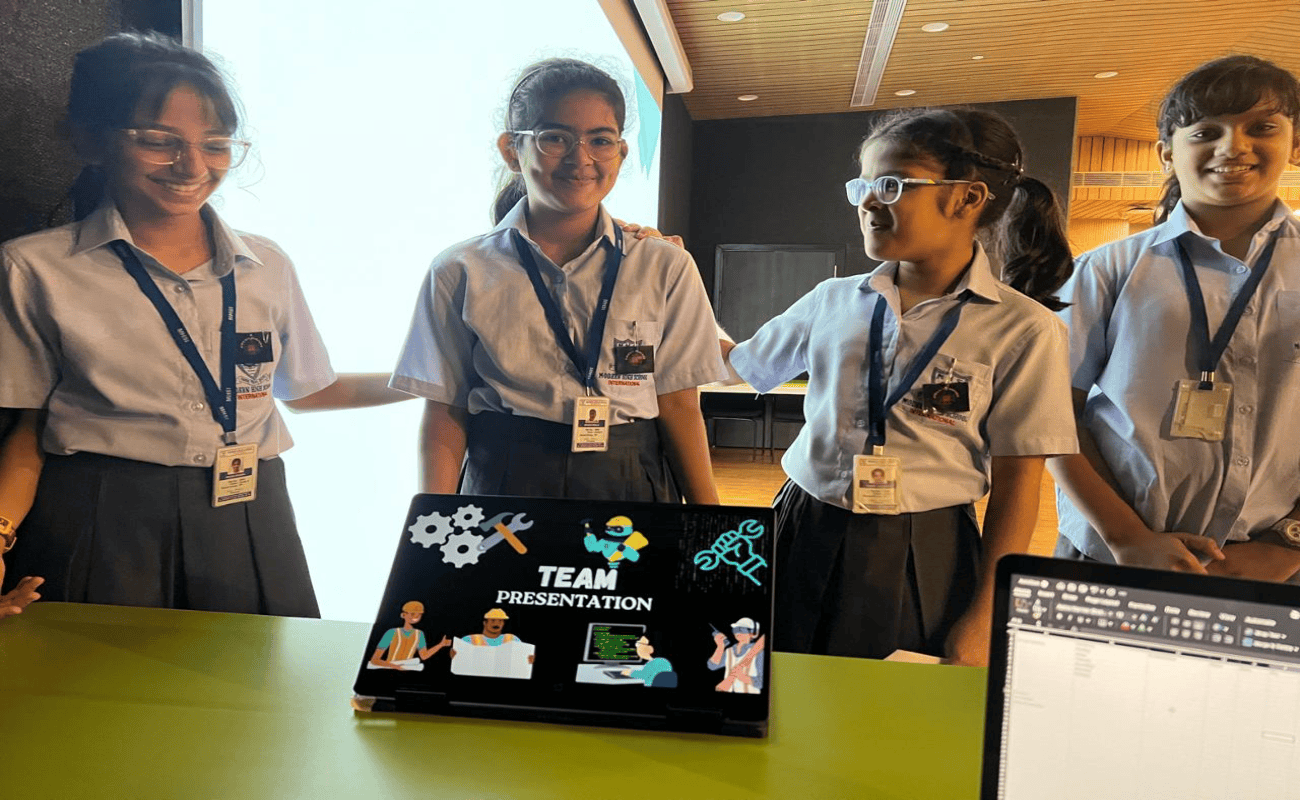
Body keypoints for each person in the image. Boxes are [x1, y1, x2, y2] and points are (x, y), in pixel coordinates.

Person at [0, 32, 409, 616]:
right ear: (91, 141)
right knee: (103, 672)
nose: (192, 166)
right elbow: (29, 431)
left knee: (260, 673)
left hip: (250, 510)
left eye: (215, 145)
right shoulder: (34, 267)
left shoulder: (266, 265)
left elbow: (310, 392)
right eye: (157, 141)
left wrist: (432, 377)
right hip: (101, 514)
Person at [722, 108, 1078, 666]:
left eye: (891, 185)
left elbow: (1018, 484)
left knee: (894, 699)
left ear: (967, 197)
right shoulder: (831, 300)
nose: (868, 202)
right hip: (802, 524)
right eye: (862, 185)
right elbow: (738, 364)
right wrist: (673, 274)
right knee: (777, 678)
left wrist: (986, 615)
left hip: (926, 548)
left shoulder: (1025, 329)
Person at [392, 58, 726, 504]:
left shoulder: (664, 265)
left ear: (621, 153)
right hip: (504, 481)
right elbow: (444, 411)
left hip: (630, 480)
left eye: (600, 140)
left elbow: (680, 404)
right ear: (512, 149)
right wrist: (431, 524)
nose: (580, 158)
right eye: (555, 137)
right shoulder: (460, 269)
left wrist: (709, 522)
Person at [1050, 55, 1300, 583]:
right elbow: (1049, 414)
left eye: (1261, 128)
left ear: (1294, 143)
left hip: (1277, 564)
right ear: (1167, 152)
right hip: (1111, 553)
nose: (1233, 147)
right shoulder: (1106, 270)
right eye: (1206, 132)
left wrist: (1287, 544)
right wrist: (1128, 537)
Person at [368, 600, 451, 670]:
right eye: (412, 614)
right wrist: (395, 666)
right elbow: (374, 660)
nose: (415, 617)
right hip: (388, 671)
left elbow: (424, 656)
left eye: (418, 615)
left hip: (409, 671)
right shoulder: (391, 632)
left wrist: (440, 645)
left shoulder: (419, 634)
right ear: (403, 615)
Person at [707, 617, 764, 693]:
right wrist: (720, 646)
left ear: (752, 633)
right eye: (736, 629)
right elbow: (712, 666)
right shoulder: (729, 651)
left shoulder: (760, 652)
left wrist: (743, 677)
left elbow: (762, 682)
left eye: (742, 630)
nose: (738, 633)